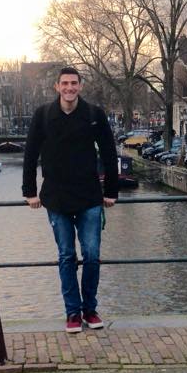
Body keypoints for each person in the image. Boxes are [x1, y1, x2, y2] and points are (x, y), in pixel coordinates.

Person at [22, 66, 118, 334]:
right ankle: (72, 313)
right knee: (66, 255)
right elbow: (30, 155)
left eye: (74, 83)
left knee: (91, 255)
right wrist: (29, 192)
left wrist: (111, 191)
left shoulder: (93, 115)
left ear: (80, 86)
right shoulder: (43, 115)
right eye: (64, 83)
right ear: (57, 86)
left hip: (89, 196)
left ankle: (90, 309)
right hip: (56, 197)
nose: (69, 88)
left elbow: (110, 154)